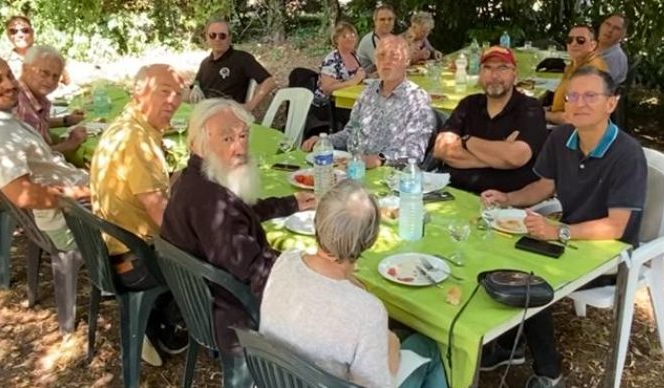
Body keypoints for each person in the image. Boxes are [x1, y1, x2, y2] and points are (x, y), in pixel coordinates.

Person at [480, 66, 647, 388]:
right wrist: (508, 198)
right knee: (498, 256)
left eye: (590, 96)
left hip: (611, 253)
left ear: (611, 103)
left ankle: (548, 372)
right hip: (569, 237)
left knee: (531, 278)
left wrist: (559, 232)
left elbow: (616, 226)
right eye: (572, 95)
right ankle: (508, 346)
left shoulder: (628, 154)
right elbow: (544, 187)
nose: (579, 103)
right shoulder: (560, 137)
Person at [160, 98, 316, 387]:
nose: (240, 147)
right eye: (227, 138)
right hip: (233, 313)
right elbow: (256, 271)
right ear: (198, 143)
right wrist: (310, 268)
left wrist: (288, 203)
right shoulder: (211, 200)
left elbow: (236, 215)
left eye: (243, 135)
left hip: (200, 301)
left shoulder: (194, 180)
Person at [260, 180, 448, 388]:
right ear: (370, 239)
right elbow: (378, 384)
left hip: (277, 380)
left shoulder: (285, 261)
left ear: (316, 223)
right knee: (427, 346)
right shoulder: (367, 311)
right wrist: (392, 344)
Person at [90, 64, 189, 359]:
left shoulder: (128, 126)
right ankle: (174, 327)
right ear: (138, 91)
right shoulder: (136, 140)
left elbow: (155, 191)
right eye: (164, 91)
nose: (173, 100)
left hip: (113, 249)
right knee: (221, 250)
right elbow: (160, 213)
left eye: (178, 94)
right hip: (136, 261)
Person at [0, 53, 88, 251]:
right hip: (72, 223)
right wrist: (89, 192)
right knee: (148, 202)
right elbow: (26, 196)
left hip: (74, 205)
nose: (10, 85)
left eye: (9, 76)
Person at [302, 35, 435, 168]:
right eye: (381, 56)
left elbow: (415, 153)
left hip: (389, 176)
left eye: (394, 56)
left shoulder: (417, 99)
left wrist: (379, 159)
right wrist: (324, 140)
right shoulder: (369, 91)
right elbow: (350, 133)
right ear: (375, 61)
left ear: (406, 61)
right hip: (351, 168)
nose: (386, 61)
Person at [433, 46, 547, 194]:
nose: (494, 76)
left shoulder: (530, 109)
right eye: (487, 68)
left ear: (515, 74)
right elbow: (441, 149)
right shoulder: (468, 104)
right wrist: (499, 159)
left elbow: (516, 157)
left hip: (505, 202)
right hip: (454, 193)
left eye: (503, 68)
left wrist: (467, 141)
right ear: (480, 73)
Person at [188, 19, 276, 112]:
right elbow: (194, 89)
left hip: (229, 115)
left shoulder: (242, 58)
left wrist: (249, 106)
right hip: (205, 113)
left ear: (229, 38)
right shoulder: (205, 63)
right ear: (206, 37)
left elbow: (269, 82)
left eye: (222, 36)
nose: (217, 39)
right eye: (212, 35)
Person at [15, 45, 87, 153]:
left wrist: (66, 120)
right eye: (44, 73)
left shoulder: (34, 97)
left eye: (55, 76)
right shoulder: (18, 102)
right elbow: (32, 158)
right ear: (25, 69)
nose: (50, 81)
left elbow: (37, 123)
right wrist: (69, 144)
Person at [545, 25, 608, 125]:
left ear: (593, 45)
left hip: (569, 131)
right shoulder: (576, 63)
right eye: (570, 40)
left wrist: (545, 115)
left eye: (581, 40)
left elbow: (572, 119)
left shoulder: (590, 72)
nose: (573, 44)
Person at [309, 21, 365, 132]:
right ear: (336, 40)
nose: (350, 38)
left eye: (352, 35)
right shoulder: (332, 59)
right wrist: (354, 81)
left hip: (350, 99)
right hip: (330, 105)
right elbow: (327, 89)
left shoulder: (354, 55)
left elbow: (359, 77)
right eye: (344, 36)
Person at [357, 4, 396, 73]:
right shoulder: (369, 41)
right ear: (375, 22)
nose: (387, 22)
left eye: (390, 19)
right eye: (382, 19)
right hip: (365, 81)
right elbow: (385, 65)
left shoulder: (392, 38)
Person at [596, 13, 629, 86]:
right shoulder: (591, 46)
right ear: (601, 25)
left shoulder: (616, 57)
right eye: (608, 24)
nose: (610, 30)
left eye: (616, 28)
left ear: (623, 35)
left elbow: (602, 87)